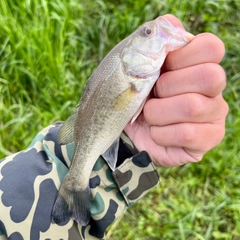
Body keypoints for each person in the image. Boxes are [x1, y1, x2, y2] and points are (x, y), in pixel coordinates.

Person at [0, 14, 228, 240]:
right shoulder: (130, 77)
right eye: (147, 33)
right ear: (128, 56)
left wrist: (127, 145)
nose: (152, 32)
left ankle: (76, 183)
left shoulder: (132, 76)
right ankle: (75, 183)